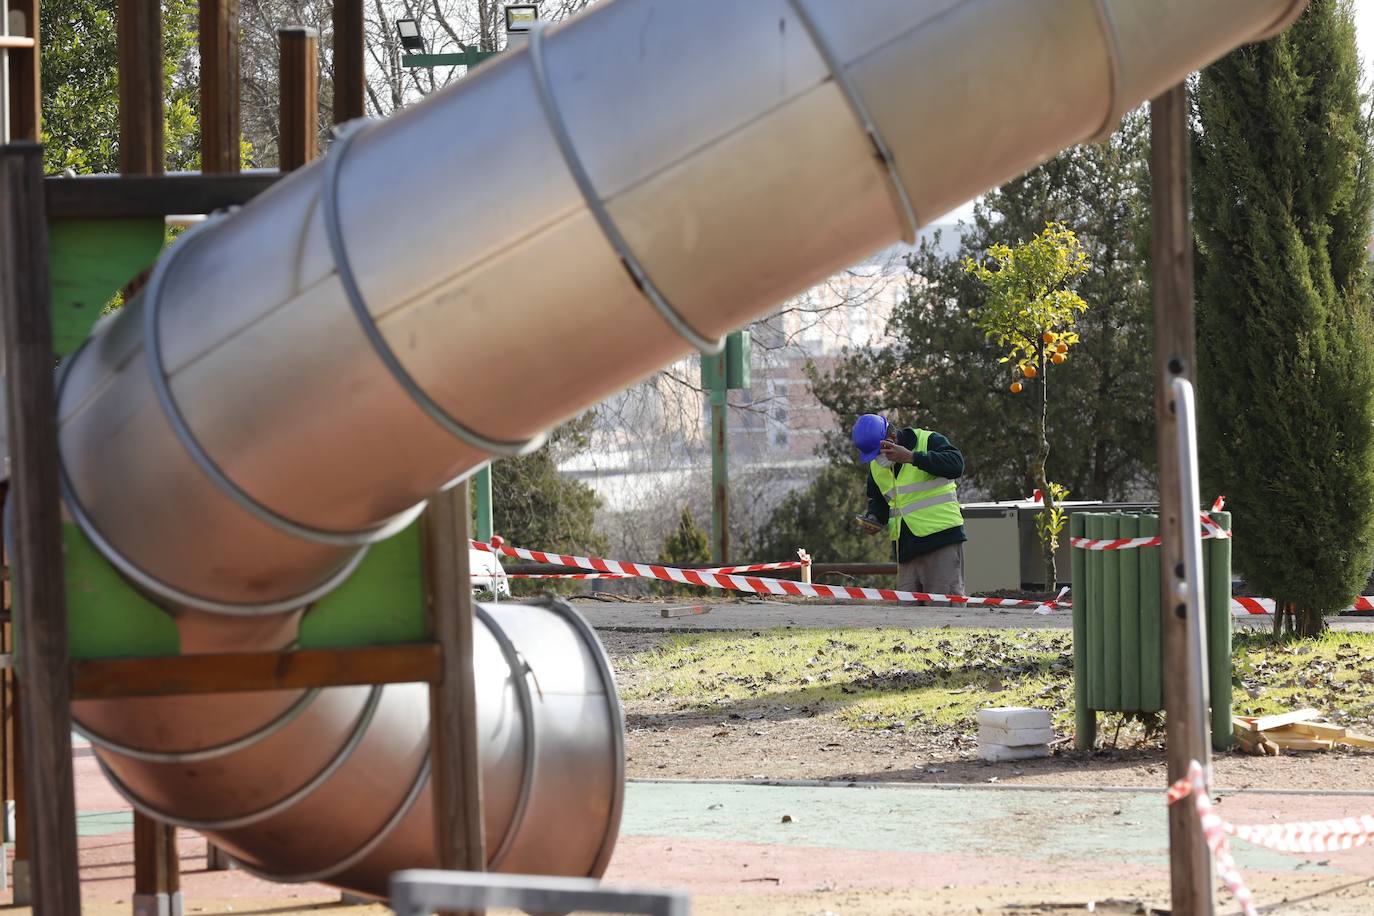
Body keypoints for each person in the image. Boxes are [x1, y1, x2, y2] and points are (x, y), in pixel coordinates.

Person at [851, 413, 966, 599]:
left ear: (893, 437)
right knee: (908, 615)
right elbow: (878, 500)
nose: (879, 457)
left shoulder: (928, 440)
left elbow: (956, 465)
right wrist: (873, 518)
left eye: (880, 451)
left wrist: (912, 457)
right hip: (905, 549)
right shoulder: (876, 466)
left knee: (944, 609)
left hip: (940, 541)